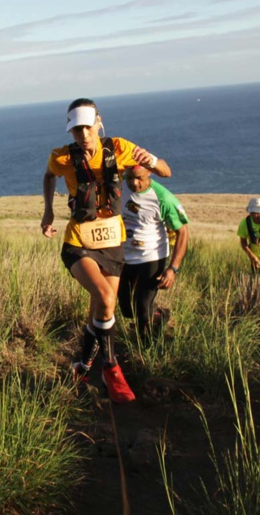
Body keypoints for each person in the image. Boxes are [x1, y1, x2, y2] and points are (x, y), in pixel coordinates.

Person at [41, 98, 171, 404]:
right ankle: (111, 368)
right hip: (78, 243)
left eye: (88, 127)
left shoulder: (120, 148)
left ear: (99, 122)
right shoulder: (61, 158)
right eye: (77, 130)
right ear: (70, 131)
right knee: (106, 297)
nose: (84, 135)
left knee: (102, 309)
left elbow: (165, 171)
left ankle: (82, 367)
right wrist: (47, 211)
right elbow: (49, 176)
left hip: (112, 244)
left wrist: (149, 159)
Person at [119, 165, 189, 338]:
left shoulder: (163, 198)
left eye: (139, 178)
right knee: (127, 310)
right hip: (123, 257)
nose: (134, 183)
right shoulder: (119, 187)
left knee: (142, 308)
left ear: (150, 172)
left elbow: (183, 231)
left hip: (151, 256)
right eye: (129, 177)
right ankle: (159, 313)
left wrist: (173, 269)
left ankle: (147, 347)